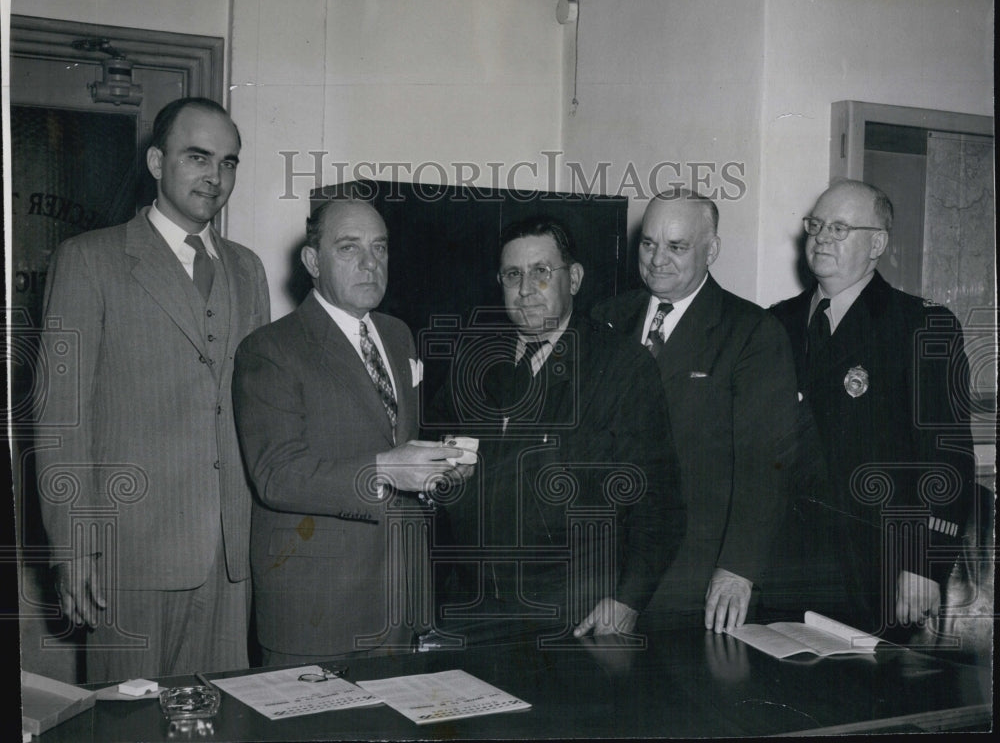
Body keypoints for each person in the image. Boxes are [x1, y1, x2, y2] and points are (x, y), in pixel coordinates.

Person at [33, 97, 270, 681]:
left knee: (223, 720)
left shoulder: (249, 269)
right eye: (198, 157)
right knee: (126, 721)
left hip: (230, 557)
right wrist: (74, 546)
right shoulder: (90, 259)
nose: (215, 176)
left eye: (229, 162)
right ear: (157, 161)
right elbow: (60, 418)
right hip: (126, 556)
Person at [425, 216, 685, 644]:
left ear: (575, 278)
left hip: (570, 616)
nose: (526, 289)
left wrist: (627, 600)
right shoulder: (471, 361)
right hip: (474, 609)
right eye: (513, 275)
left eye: (541, 272)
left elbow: (659, 502)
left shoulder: (620, 367)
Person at [232, 198, 470, 665]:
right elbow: (276, 476)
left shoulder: (398, 334)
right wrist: (387, 469)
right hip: (318, 610)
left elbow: (389, 441)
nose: (369, 263)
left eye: (379, 248)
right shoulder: (270, 349)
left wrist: (436, 471)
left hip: (401, 604)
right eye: (348, 248)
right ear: (312, 261)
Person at [769, 179, 975, 637]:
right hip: (783, 568)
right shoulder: (776, 323)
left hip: (874, 571)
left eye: (840, 228)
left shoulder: (922, 326)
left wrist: (924, 562)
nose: (822, 236)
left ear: (877, 243)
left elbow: (949, 457)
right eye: (817, 224)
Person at [593, 189, 799, 633]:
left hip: (693, 577)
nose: (657, 259)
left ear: (713, 250)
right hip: (604, 570)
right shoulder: (606, 319)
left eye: (677, 246)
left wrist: (739, 568)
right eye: (648, 243)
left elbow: (766, 464)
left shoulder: (752, 333)